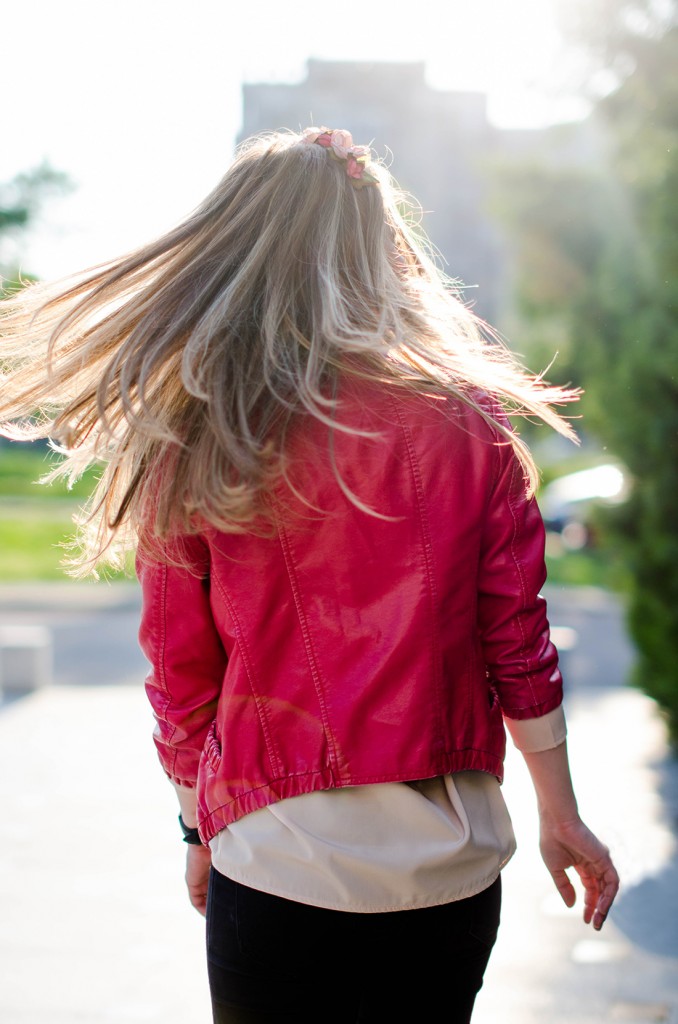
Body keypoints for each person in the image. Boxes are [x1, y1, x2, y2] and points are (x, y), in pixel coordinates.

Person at [0, 126, 619, 1023]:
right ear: (379, 247)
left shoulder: (202, 430)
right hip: (447, 867)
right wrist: (561, 813)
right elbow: (516, 637)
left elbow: (180, 674)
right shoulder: (471, 420)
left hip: (275, 855)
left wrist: (196, 827)